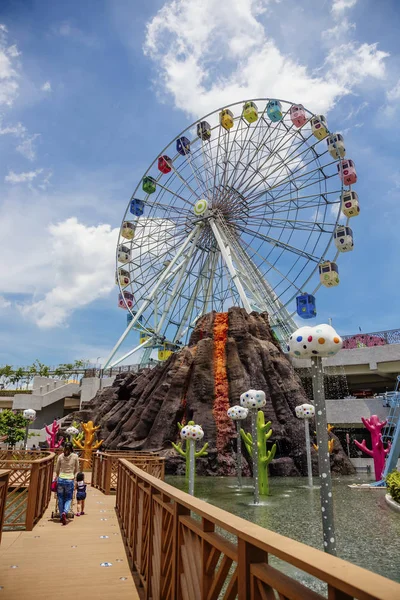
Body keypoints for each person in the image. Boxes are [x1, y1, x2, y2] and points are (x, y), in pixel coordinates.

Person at [55, 442, 79, 525]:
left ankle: (62, 515)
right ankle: (65, 512)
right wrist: (74, 478)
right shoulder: (75, 456)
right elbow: (77, 469)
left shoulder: (60, 456)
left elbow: (57, 469)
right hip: (70, 479)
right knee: (69, 498)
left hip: (61, 479)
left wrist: (57, 476)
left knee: (60, 497)